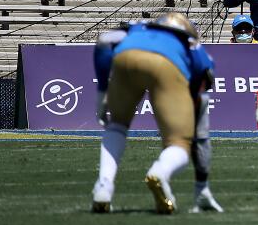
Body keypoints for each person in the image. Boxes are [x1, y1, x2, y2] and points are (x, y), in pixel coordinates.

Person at [90, 12, 216, 214]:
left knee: (117, 125)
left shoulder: (137, 28)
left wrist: (102, 91)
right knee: (179, 144)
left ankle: (103, 185)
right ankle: (160, 172)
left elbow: (104, 42)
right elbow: (206, 74)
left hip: (125, 56)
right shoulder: (192, 44)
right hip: (168, 64)